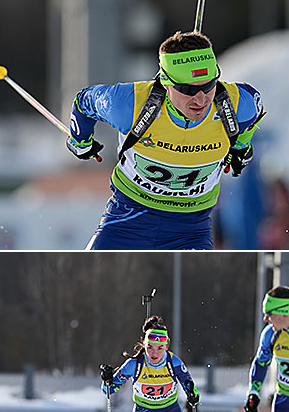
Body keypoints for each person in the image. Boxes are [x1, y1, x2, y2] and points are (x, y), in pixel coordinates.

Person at [67, 30, 264, 250]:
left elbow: (254, 113)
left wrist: (240, 148)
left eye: (209, 86)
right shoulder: (129, 104)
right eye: (188, 89)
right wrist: (80, 141)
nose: (201, 99)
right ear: (166, 81)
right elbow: (85, 101)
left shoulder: (237, 104)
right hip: (127, 220)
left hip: (191, 229)